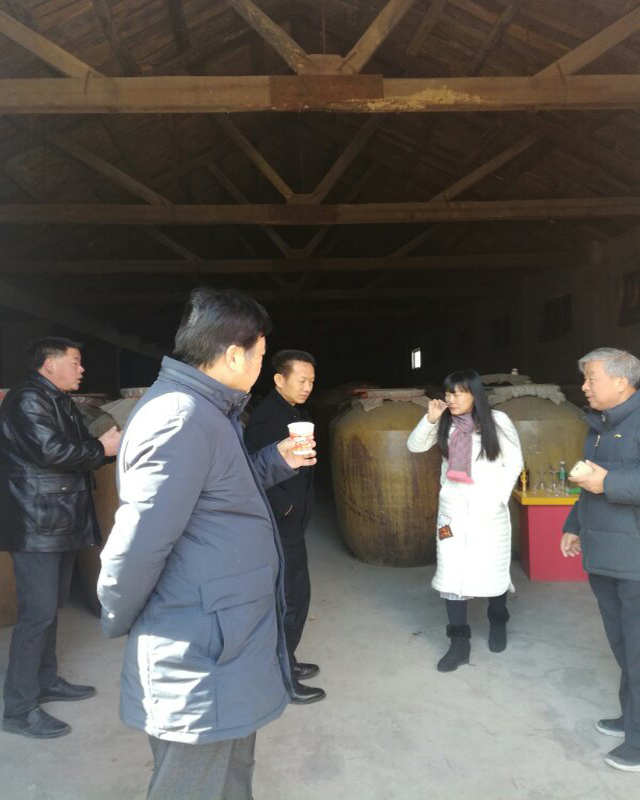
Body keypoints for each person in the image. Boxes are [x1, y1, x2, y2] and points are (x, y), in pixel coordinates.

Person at [97, 289, 317, 800]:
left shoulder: (211, 412)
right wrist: (118, 614)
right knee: (193, 784)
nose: (261, 366)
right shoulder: (180, 417)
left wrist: (276, 460)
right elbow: (137, 545)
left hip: (226, 641)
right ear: (235, 355)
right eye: (261, 355)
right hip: (198, 653)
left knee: (231, 774)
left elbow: (218, 491)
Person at [0, 337, 121, 739]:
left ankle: (46, 679)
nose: (81, 369)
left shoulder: (57, 400)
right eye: (75, 361)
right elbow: (52, 452)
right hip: (37, 524)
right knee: (36, 614)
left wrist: (101, 445)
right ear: (49, 364)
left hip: (58, 519)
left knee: (50, 608)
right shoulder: (28, 400)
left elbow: (74, 447)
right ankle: (19, 709)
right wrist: (102, 447)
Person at [407, 370, 523, 672]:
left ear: (475, 394)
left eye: (458, 393)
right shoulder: (444, 422)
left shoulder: (498, 421)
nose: (451, 399)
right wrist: (430, 419)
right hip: (453, 510)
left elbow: (514, 462)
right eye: (448, 393)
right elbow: (415, 446)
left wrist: (497, 499)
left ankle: (498, 619)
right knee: (451, 575)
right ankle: (459, 644)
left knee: (492, 570)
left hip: (489, 510)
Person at [561, 347, 640, 772]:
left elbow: (602, 482)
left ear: (622, 382)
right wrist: (574, 524)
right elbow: (585, 482)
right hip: (604, 554)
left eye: (592, 379)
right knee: (625, 647)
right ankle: (632, 718)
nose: (584, 387)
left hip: (635, 560)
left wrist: (608, 483)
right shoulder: (598, 426)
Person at [244, 350, 325, 705]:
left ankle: (287, 658)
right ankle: (282, 676)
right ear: (279, 379)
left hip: (293, 519)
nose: (307, 387)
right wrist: (285, 507)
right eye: (301, 380)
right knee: (291, 597)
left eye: (311, 381)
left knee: (295, 594)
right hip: (280, 522)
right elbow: (250, 469)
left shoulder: (295, 413)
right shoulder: (266, 417)